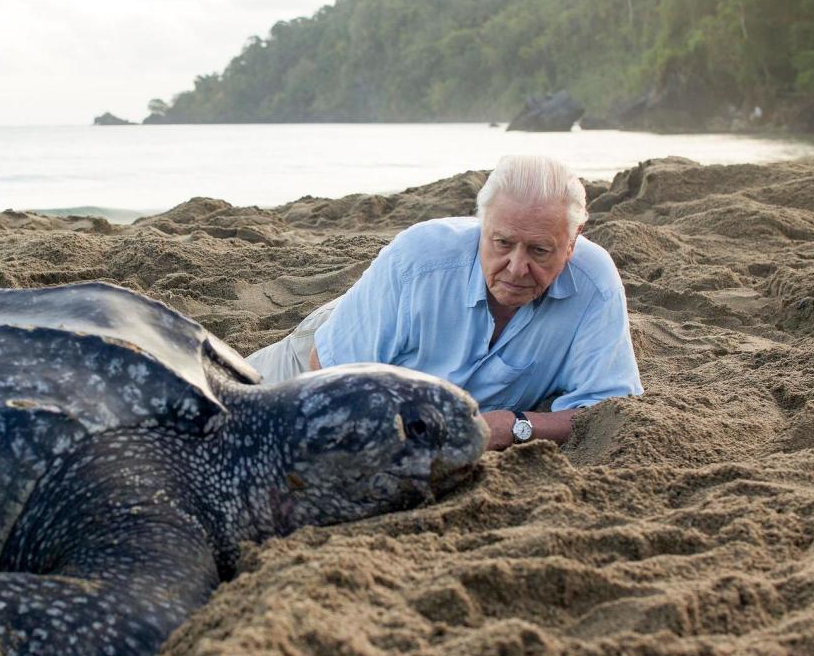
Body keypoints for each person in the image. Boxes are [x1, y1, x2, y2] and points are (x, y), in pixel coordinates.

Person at [246, 155, 642, 450]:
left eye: (539, 250)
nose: (517, 267)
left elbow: (607, 411)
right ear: (481, 227)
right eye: (502, 243)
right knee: (220, 406)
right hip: (332, 348)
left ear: (571, 244)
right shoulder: (421, 259)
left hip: (437, 402)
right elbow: (327, 372)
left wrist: (516, 425)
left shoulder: (594, 283)